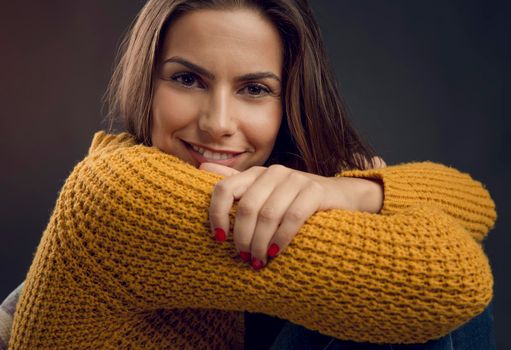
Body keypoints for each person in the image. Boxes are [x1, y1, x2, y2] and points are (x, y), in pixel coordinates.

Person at [5, 0, 497, 349]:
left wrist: (347, 192)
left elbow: (475, 202)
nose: (219, 123)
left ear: (289, 104)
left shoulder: (274, 180)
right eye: (187, 79)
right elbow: (457, 282)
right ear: (146, 84)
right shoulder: (123, 192)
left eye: (255, 89)